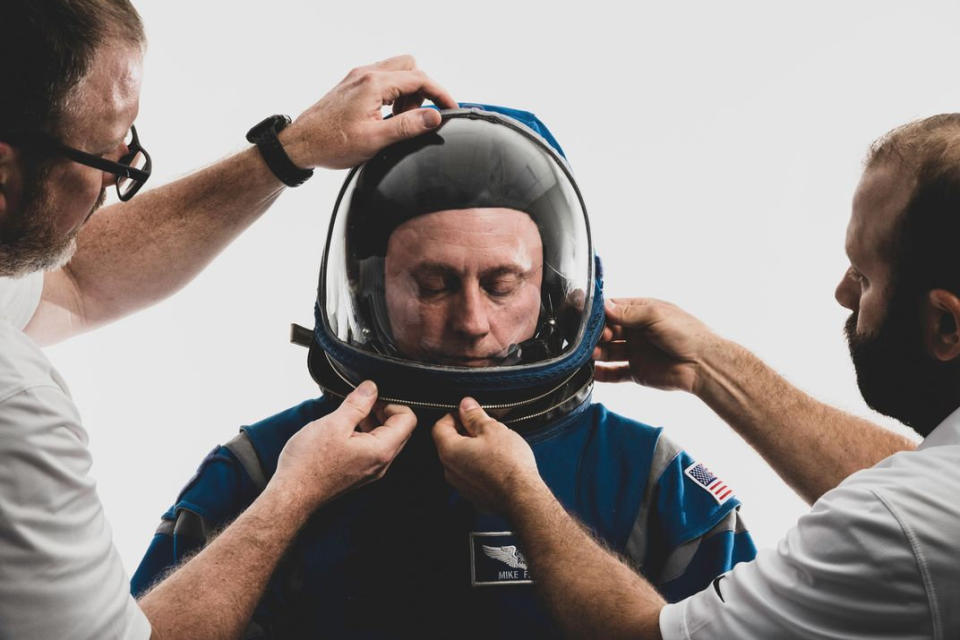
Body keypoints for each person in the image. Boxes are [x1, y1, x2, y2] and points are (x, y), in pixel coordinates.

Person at [131, 105, 757, 638]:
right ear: (368, 288)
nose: (472, 321)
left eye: (503, 283)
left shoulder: (648, 481)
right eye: (432, 285)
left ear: (554, 289)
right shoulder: (260, 471)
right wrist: (291, 500)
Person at [0, 2, 457, 638]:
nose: (118, 180)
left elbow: (74, 280)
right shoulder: (15, 405)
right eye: (107, 157)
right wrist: (293, 493)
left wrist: (287, 153)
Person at [431, 114, 960, 639]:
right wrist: (708, 363)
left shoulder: (648, 478)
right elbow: (913, 494)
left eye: (864, 277)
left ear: (946, 326)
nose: (843, 294)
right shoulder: (932, 502)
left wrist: (523, 495)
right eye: (432, 284)